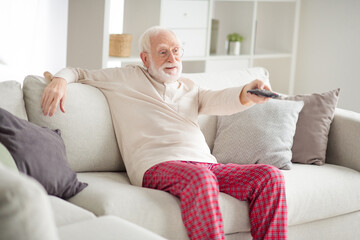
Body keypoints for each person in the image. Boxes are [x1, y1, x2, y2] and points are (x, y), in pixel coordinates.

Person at [41, 26, 287, 240]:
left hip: (205, 165)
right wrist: (60, 81)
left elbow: (220, 99)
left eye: (177, 50)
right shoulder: (125, 77)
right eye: (163, 52)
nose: (173, 58)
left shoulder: (191, 87)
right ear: (145, 58)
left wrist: (247, 92)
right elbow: (79, 72)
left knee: (269, 177)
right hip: (156, 164)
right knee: (201, 179)